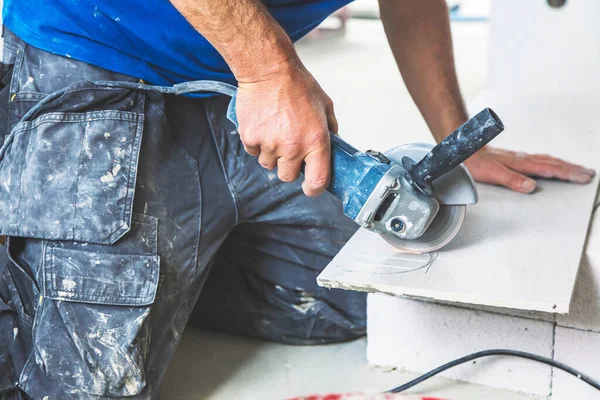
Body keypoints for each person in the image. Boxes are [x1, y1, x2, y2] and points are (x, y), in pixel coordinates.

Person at [0, 1, 594, 399]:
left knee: (360, 302)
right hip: (92, 64)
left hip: (227, 82)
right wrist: (268, 71)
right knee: (80, 384)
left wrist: (453, 135)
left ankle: (168, 268)